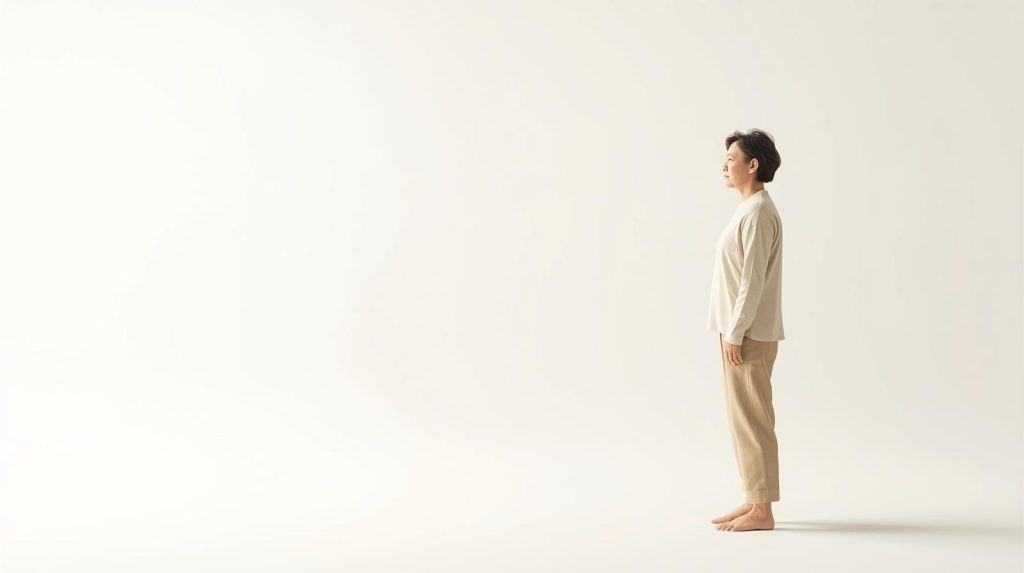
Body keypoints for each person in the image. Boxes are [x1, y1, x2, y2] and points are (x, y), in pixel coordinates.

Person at [707, 129, 785, 532]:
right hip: (738, 331)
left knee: (753, 421)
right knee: (744, 420)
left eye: (731, 159)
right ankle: (754, 498)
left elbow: (751, 281)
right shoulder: (749, 209)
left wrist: (736, 333)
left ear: (752, 165)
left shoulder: (757, 212)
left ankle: (762, 510)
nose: (724, 165)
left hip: (748, 334)